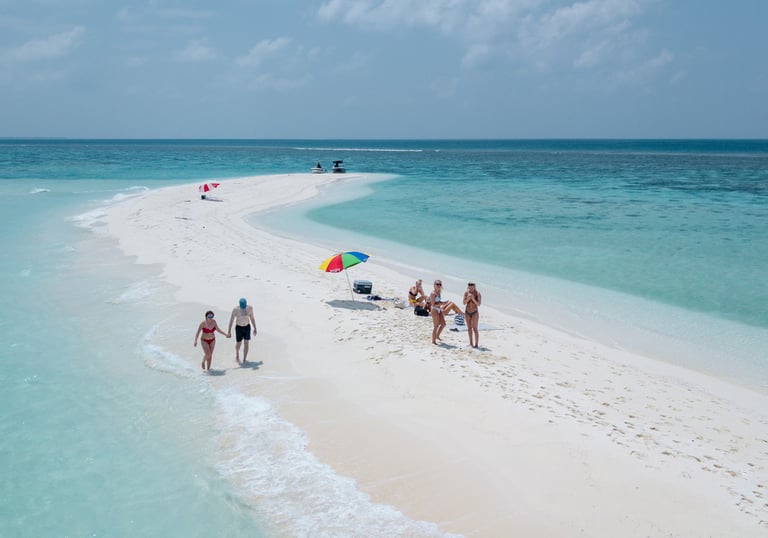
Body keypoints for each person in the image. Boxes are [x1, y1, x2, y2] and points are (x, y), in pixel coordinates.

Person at [428, 280, 463, 345]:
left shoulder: (439, 292)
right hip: (434, 310)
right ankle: (433, 341)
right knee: (436, 326)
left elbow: (438, 302)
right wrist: (442, 303)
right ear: (434, 285)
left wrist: (442, 304)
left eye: (440, 284)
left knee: (443, 324)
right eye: (437, 284)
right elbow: (433, 304)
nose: (438, 286)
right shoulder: (433, 293)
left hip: (439, 309)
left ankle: (437, 336)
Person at [228, 297, 257, 364]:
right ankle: (237, 354)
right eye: (242, 306)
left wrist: (255, 328)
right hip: (239, 328)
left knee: (246, 343)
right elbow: (231, 320)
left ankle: (244, 359)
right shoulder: (235, 309)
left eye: (244, 305)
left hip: (247, 327)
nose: (243, 307)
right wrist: (229, 331)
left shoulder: (250, 308)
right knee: (239, 343)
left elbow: (252, 318)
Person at [463, 282, 482, 348]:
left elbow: (479, 304)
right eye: (469, 287)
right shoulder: (466, 293)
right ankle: (471, 343)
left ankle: (476, 344)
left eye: (472, 287)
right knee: (469, 328)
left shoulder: (478, 293)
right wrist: (468, 298)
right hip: (467, 312)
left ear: (474, 287)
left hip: (475, 312)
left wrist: (473, 299)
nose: (471, 289)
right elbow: (464, 303)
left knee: (475, 328)